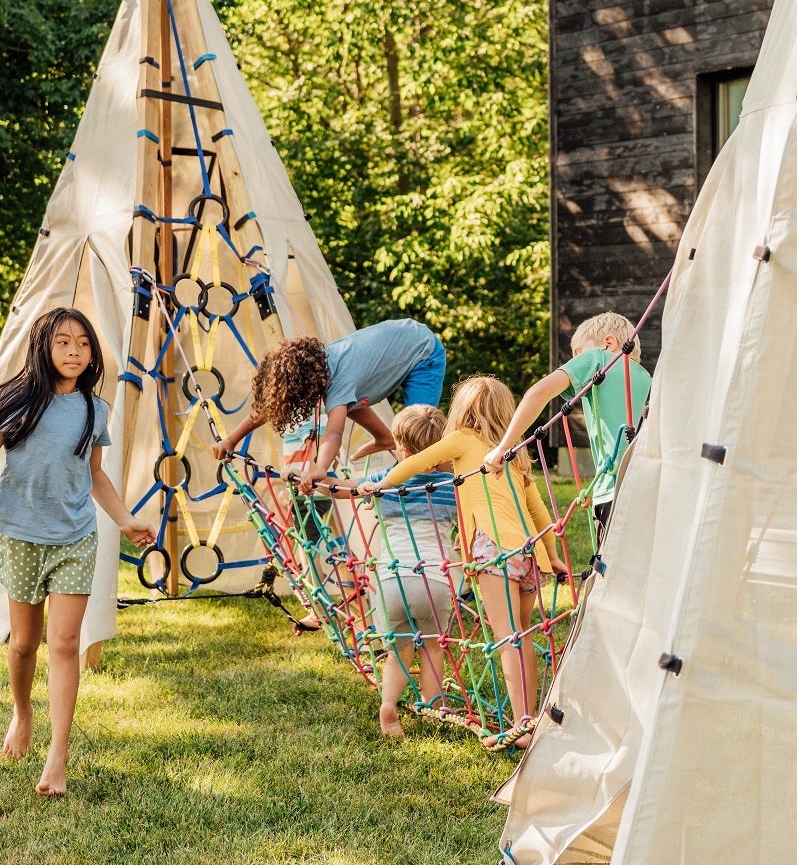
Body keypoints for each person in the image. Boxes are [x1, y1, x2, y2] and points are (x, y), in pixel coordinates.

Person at [0, 307, 154, 795]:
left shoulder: (94, 410)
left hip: (75, 539)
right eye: (63, 342)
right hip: (22, 536)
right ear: (44, 346)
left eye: (83, 344)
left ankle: (56, 759)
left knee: (64, 644)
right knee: (23, 643)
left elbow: (95, 474)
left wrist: (124, 520)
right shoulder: (20, 402)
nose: (74, 352)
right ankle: (22, 714)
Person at [363, 375, 562, 750]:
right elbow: (539, 510)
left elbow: (417, 463)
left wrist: (380, 484)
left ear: (462, 412)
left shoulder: (462, 440)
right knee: (524, 632)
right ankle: (529, 716)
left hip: (493, 548)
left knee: (508, 637)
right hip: (528, 552)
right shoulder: (513, 452)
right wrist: (550, 554)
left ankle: (521, 726)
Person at [329, 404, 460, 738]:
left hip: (391, 582)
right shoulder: (451, 485)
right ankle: (433, 709)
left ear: (401, 450)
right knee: (432, 647)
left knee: (398, 650)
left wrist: (315, 481)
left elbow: (342, 488)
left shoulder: (384, 482)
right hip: (434, 579)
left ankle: (389, 706)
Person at [213, 319, 445, 488]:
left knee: (420, 436)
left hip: (423, 354)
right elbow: (266, 408)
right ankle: (384, 439)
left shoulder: (339, 380)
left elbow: (333, 434)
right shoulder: (319, 366)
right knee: (344, 404)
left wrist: (320, 468)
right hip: (402, 338)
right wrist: (231, 439)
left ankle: (453, 487)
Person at [483, 312, 651, 546]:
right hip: (651, 487)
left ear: (608, 343)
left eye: (578, 354)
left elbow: (539, 392)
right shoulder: (647, 377)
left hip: (614, 488)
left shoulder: (599, 359)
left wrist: (503, 447)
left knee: (608, 573)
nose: (575, 361)